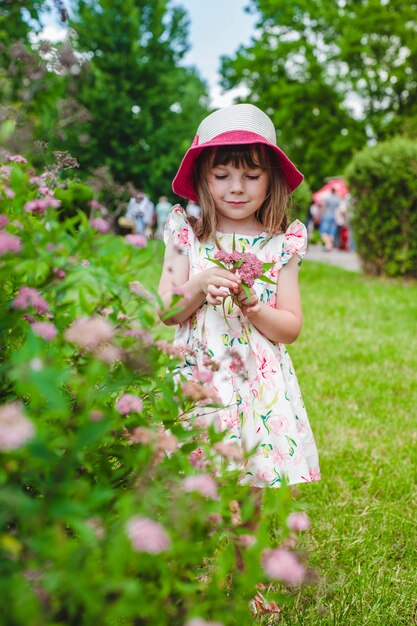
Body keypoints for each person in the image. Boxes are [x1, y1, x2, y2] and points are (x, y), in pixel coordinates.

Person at [158, 102, 319, 490]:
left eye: (251, 175)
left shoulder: (280, 244)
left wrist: (256, 306)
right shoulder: (188, 236)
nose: (235, 187)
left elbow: (290, 328)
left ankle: (244, 547)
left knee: (250, 478)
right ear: (203, 178)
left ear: (271, 180)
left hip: (256, 386)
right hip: (201, 375)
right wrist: (198, 285)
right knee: (194, 480)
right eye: (222, 174)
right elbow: (167, 309)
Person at [319, 187, 340, 251]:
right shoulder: (337, 199)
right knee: (331, 233)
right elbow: (338, 209)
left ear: (331, 191)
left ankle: (328, 245)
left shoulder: (327, 198)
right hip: (334, 217)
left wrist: (320, 215)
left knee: (322, 232)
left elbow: (323, 207)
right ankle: (329, 245)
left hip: (326, 216)